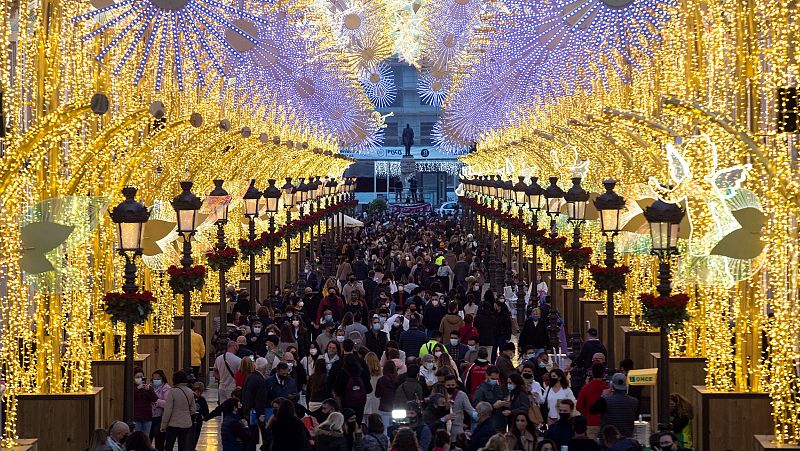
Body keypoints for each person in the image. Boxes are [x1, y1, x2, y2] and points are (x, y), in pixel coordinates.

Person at [590, 373, 639, 438]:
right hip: (627, 440)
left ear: (612, 385)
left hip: (608, 441)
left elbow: (592, 410)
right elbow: (636, 417)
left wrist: (603, 396)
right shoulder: (634, 401)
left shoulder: (605, 400)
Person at [160, 370, 196, 451]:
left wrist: (163, 425)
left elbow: (168, 410)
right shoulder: (190, 391)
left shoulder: (172, 392)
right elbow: (193, 409)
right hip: (186, 424)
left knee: (169, 446)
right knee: (182, 446)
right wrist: (186, 414)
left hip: (173, 424)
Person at [576, 364, 609, 438]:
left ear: (592, 373)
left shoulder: (585, 388)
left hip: (590, 422)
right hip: (605, 423)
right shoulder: (607, 389)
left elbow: (579, 406)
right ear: (603, 374)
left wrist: (587, 413)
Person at [472, 365, 507, 432]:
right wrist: (493, 406)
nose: (495, 381)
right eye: (493, 379)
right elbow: (477, 407)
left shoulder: (498, 388)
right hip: (488, 426)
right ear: (487, 375)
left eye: (496, 379)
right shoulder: (480, 390)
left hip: (500, 424)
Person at [444, 373, 475, 440]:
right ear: (444, 385)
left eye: (453, 385)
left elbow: (470, 410)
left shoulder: (462, 395)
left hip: (457, 428)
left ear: (456, 385)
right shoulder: (441, 395)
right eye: (448, 385)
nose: (450, 387)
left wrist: (480, 416)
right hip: (443, 428)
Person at [149, 370, 170, 450]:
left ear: (162, 378)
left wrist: (156, 402)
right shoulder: (149, 387)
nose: (156, 380)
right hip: (149, 416)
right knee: (148, 438)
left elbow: (167, 403)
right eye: (154, 379)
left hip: (160, 417)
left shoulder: (166, 388)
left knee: (159, 440)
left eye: (158, 379)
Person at [132, 367, 157, 435]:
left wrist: (149, 390)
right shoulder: (131, 388)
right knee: (136, 437)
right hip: (136, 417)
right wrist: (137, 389)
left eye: (141, 377)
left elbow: (155, 399)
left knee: (146, 437)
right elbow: (130, 398)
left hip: (147, 417)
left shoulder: (148, 387)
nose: (140, 378)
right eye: (137, 377)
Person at [376, 359, 398, 428]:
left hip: (384, 406)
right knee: (395, 428)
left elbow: (377, 394)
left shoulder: (381, 380)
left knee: (385, 428)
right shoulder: (398, 380)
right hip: (396, 407)